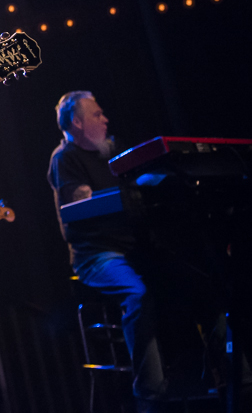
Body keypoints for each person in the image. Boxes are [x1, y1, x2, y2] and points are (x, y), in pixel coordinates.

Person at [47, 92, 164, 406]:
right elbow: (82, 209)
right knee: (137, 294)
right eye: (97, 114)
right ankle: (150, 396)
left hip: (134, 248)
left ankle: (230, 381)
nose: (105, 119)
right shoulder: (65, 158)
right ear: (77, 122)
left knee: (197, 280)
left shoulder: (113, 150)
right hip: (95, 255)